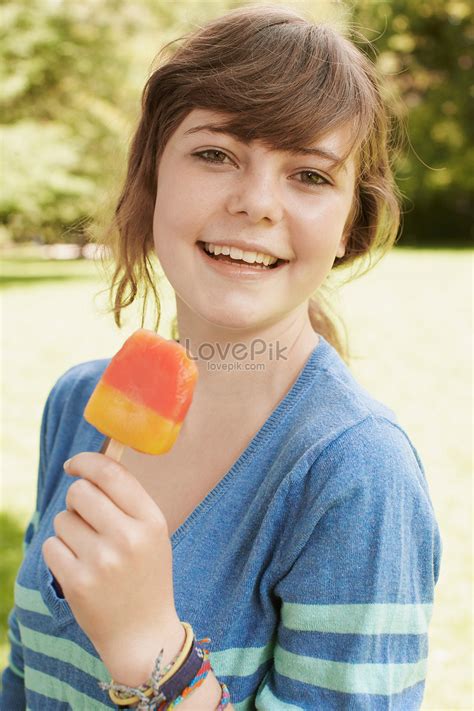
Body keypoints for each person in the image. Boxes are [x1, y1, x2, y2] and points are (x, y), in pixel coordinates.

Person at [1, 4, 442, 710]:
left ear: (348, 225)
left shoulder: (355, 473)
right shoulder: (78, 405)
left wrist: (154, 651)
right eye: (216, 154)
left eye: (310, 175)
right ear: (152, 177)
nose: (257, 203)